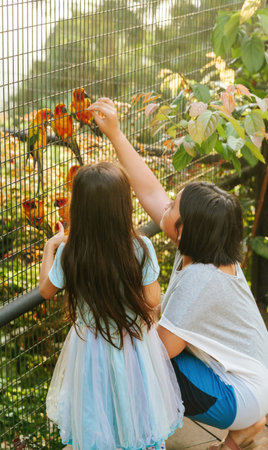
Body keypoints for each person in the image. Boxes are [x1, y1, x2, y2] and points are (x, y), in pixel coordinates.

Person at [88, 98, 268, 450]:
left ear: (183, 230)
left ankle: (141, 440)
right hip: (255, 382)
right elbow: (151, 191)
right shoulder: (209, 249)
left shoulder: (200, 280)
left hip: (241, 395)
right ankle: (244, 431)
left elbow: (157, 351)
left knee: (141, 361)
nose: (164, 206)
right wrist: (115, 133)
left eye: (173, 207)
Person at [39, 162, 184, 450]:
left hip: (90, 351)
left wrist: (50, 248)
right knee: (136, 412)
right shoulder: (141, 248)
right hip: (134, 347)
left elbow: (46, 290)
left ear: (79, 207)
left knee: (97, 414)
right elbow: (153, 301)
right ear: (124, 206)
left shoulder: (71, 253)